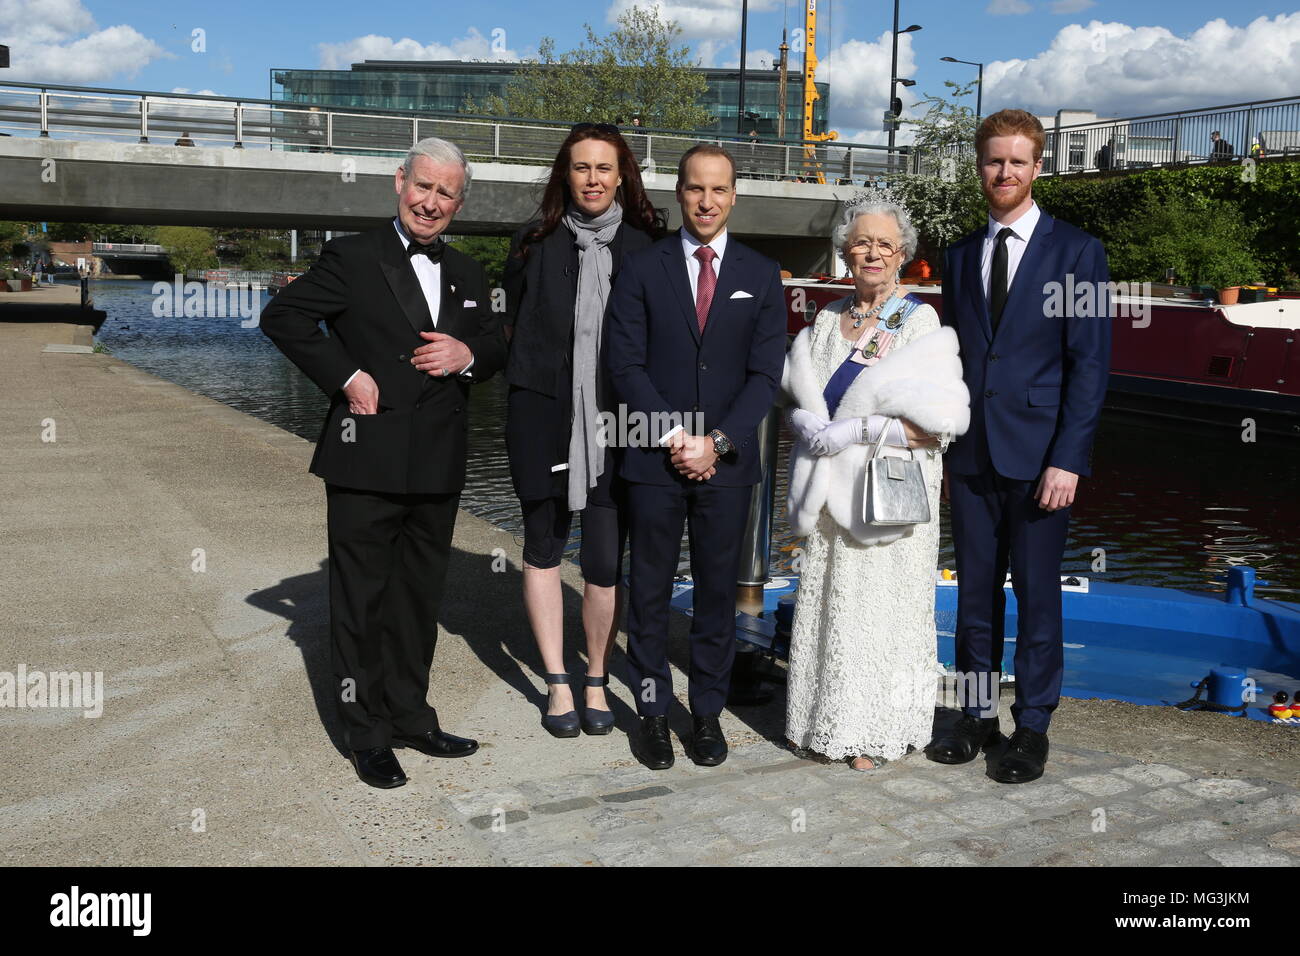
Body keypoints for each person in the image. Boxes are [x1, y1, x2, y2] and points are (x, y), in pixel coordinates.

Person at [259, 137, 506, 789]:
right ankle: (364, 732)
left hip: (438, 462)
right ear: (400, 182)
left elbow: (493, 343)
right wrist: (346, 377)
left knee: (418, 598)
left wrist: (467, 355)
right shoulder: (353, 256)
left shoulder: (470, 272)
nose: (431, 201)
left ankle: (410, 716)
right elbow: (283, 318)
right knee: (361, 601)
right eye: (423, 186)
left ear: (459, 200)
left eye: (446, 192)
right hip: (364, 456)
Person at [927, 109, 1111, 784]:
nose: (1002, 173)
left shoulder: (1077, 253)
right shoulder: (958, 253)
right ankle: (977, 717)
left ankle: (1032, 727)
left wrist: (1068, 457)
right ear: (980, 168)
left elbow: (1089, 365)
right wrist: (944, 446)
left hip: (1041, 460)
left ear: (1037, 168)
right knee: (975, 595)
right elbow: (956, 360)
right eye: (991, 161)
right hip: (973, 455)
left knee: (1037, 597)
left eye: (1015, 161)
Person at [606, 144, 786, 770]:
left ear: (734, 195)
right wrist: (677, 437)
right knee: (650, 592)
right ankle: (654, 713)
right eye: (694, 189)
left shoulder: (762, 276)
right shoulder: (641, 267)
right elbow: (624, 362)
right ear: (677, 194)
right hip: (653, 459)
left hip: (728, 465)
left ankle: (706, 714)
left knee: (716, 595)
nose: (707, 201)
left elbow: (765, 376)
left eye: (719, 190)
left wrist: (719, 442)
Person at [782, 199, 969, 770]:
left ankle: (875, 732)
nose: (872, 253)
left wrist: (858, 428)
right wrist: (807, 422)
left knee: (881, 612)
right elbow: (805, 400)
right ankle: (824, 721)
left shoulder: (918, 322)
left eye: (885, 245)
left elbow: (934, 428)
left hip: (886, 493)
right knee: (834, 606)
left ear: (903, 255)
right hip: (832, 493)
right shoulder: (824, 319)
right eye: (862, 242)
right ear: (846, 249)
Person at [502, 123, 662, 737]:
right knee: (542, 547)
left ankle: (595, 674)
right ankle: (556, 681)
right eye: (580, 168)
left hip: (620, 425)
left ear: (622, 175)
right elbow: (511, 329)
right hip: (542, 418)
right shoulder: (532, 242)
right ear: (563, 175)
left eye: (603, 168)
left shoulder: (649, 247)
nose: (592, 180)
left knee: (603, 560)